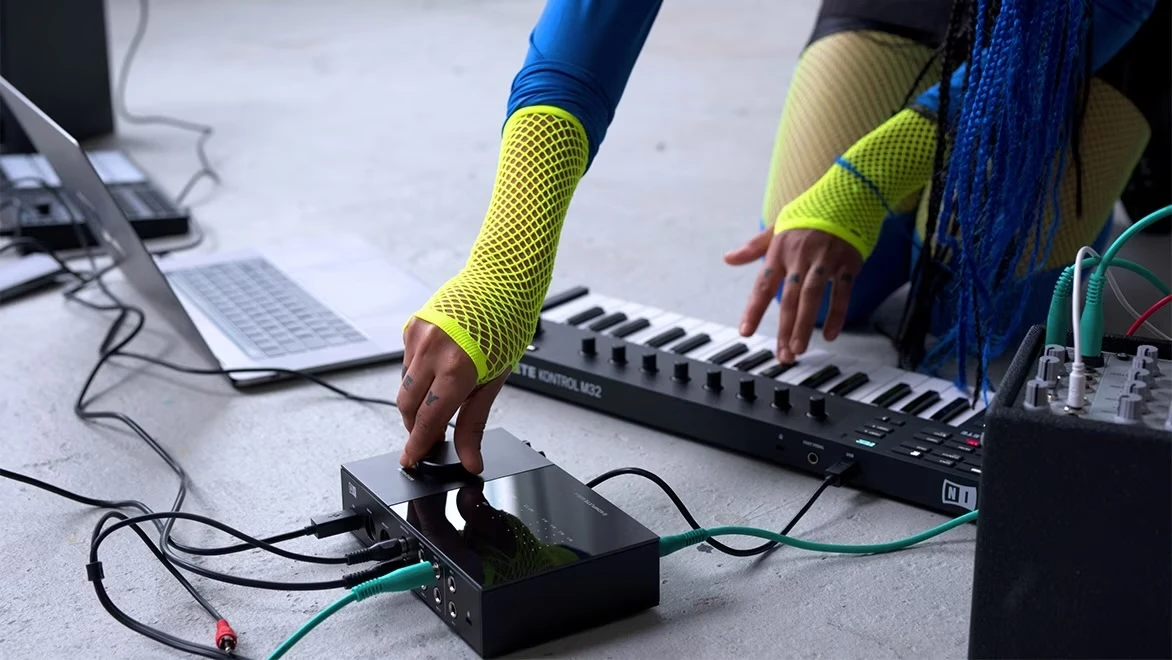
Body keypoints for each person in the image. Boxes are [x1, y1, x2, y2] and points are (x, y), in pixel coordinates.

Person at [396, 0, 1159, 473]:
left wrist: (864, 178)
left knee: (985, 297)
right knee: (823, 267)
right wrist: (506, 264)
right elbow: (588, 27)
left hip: (1088, 18)